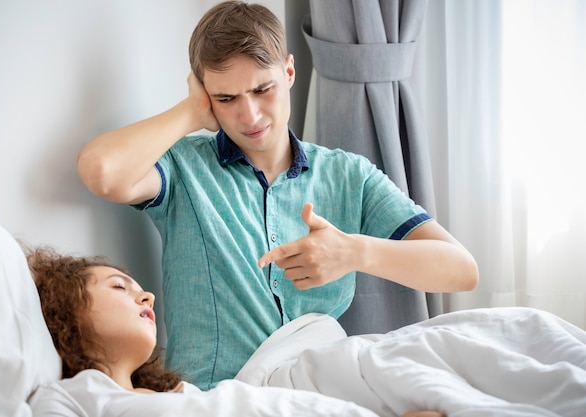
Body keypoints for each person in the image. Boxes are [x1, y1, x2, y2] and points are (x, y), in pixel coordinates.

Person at [76, 0, 479, 390]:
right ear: (205, 94)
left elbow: (461, 270)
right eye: (226, 98)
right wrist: (191, 112)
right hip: (216, 400)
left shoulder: (348, 175)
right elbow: (101, 172)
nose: (249, 116)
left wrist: (354, 252)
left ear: (289, 71)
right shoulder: (183, 169)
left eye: (262, 89)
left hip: (322, 395)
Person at [25, 246, 441, 417]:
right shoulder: (70, 397)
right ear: (69, 312)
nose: (147, 295)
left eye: (138, 286)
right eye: (119, 287)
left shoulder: (182, 396)